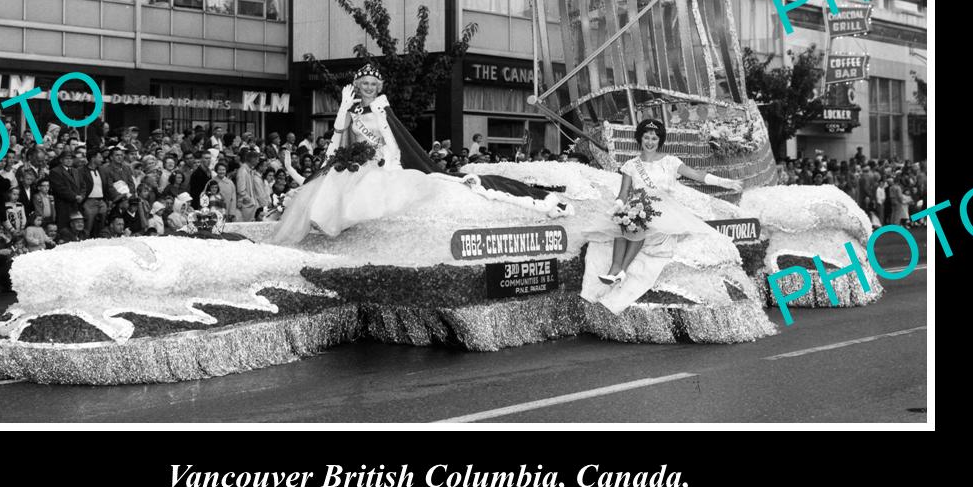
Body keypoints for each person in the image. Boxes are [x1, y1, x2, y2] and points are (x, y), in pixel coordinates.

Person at [271, 63, 569, 245]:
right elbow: (338, 135)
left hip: (379, 161)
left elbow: (391, 139)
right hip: (358, 161)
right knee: (334, 183)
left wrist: (391, 162)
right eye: (365, 84)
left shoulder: (381, 107)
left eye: (373, 85)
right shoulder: (351, 108)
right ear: (357, 86)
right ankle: (325, 223)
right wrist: (341, 108)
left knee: (375, 190)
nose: (369, 88)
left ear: (379, 87)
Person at [580, 119, 743, 311]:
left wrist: (724, 182)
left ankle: (622, 269)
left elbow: (696, 175)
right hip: (637, 205)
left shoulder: (670, 162)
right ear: (640, 138)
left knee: (640, 221)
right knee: (624, 219)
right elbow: (623, 194)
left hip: (664, 210)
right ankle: (616, 270)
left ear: (660, 140)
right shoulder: (631, 165)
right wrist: (617, 206)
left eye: (654, 138)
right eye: (646, 137)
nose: (650, 141)